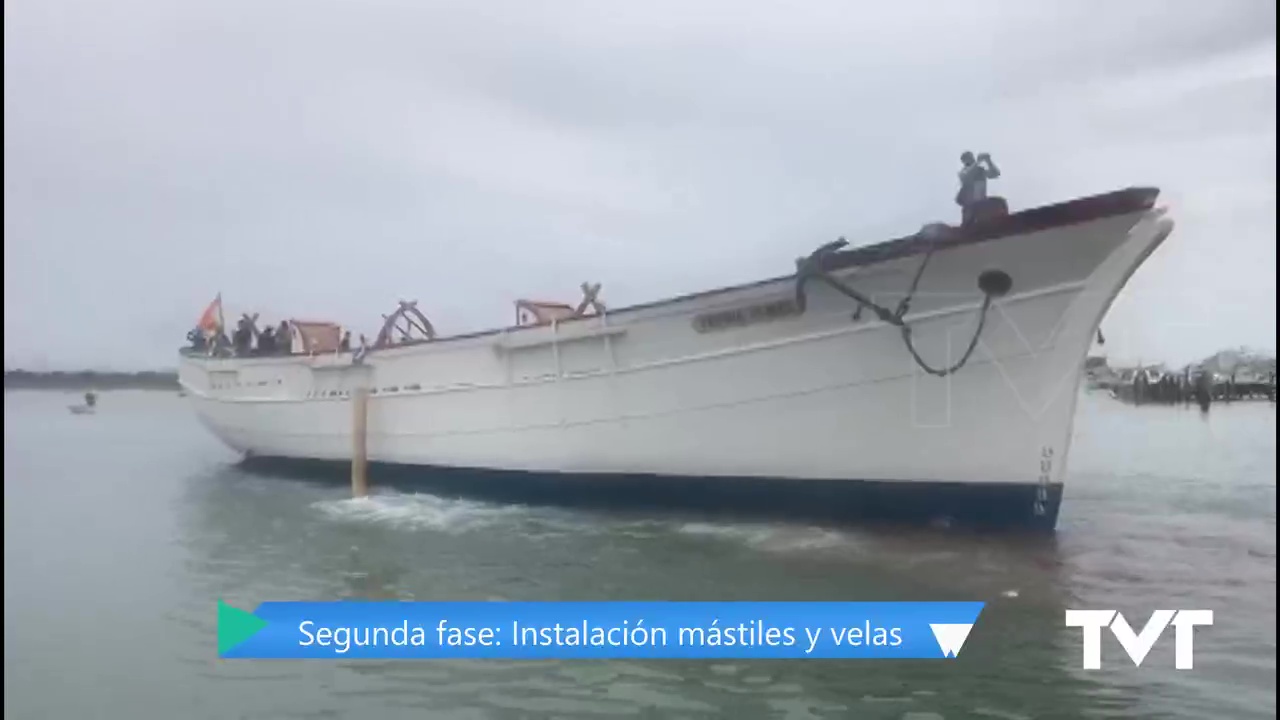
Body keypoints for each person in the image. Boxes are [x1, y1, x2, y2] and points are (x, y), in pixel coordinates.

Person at [956, 151, 1001, 225]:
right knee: (969, 226)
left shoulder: (980, 169)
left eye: (971, 157)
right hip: (969, 206)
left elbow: (995, 174)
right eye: (967, 158)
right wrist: (978, 161)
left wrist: (989, 161)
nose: (970, 160)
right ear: (963, 161)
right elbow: (966, 177)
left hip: (982, 203)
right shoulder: (963, 172)